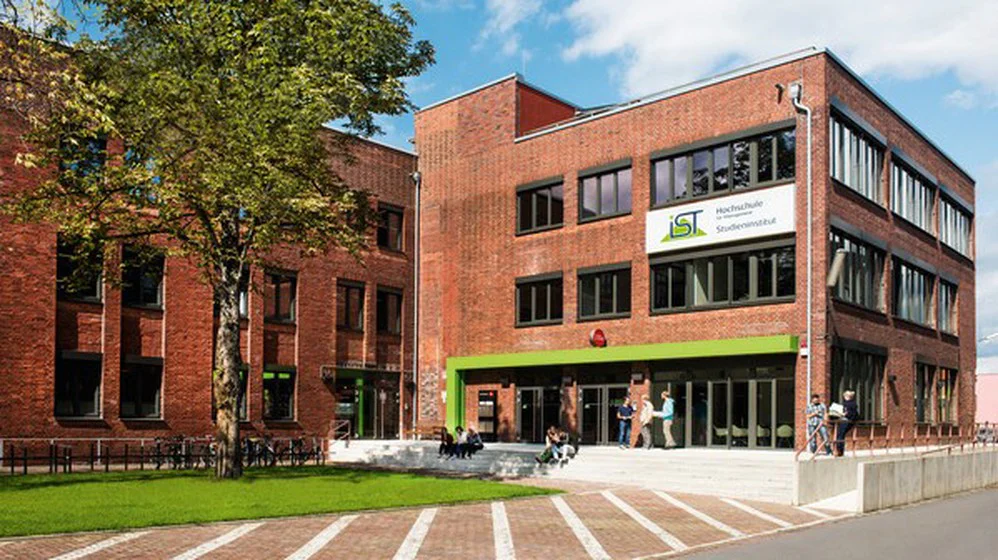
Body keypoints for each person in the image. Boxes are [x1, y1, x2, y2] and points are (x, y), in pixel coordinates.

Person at [835, 390, 860, 456]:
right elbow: (855, 414)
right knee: (841, 435)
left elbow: (849, 413)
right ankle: (840, 451)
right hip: (850, 421)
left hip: (846, 421)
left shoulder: (847, 404)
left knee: (840, 436)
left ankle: (839, 451)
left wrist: (843, 414)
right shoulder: (853, 403)